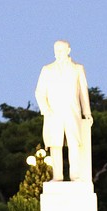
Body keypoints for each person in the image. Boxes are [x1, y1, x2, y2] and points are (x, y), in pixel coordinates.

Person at [34, 39, 93, 182]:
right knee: (55, 145)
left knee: (74, 144)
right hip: (53, 114)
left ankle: (75, 175)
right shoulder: (47, 69)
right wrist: (46, 110)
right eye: (56, 50)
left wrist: (87, 112)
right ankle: (57, 176)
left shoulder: (77, 69)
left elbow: (83, 93)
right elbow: (39, 92)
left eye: (61, 50)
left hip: (72, 112)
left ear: (68, 50)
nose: (58, 53)